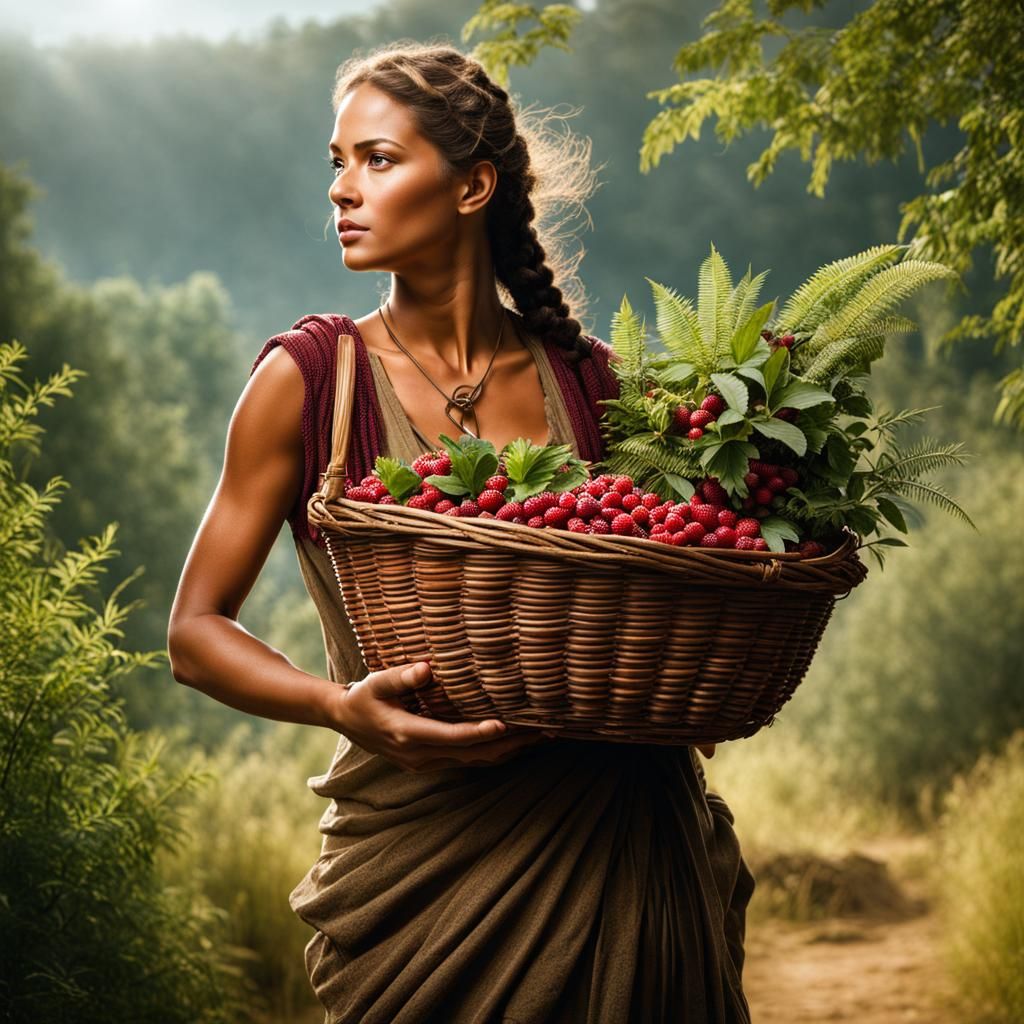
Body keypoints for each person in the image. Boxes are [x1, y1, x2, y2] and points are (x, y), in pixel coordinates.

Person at [168, 40, 755, 1024]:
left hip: (625, 841)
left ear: (473, 185)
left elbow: (674, 584)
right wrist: (340, 707)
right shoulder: (309, 383)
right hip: (422, 878)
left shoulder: (594, 384)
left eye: (378, 159)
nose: (342, 189)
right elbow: (194, 634)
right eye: (338, 162)